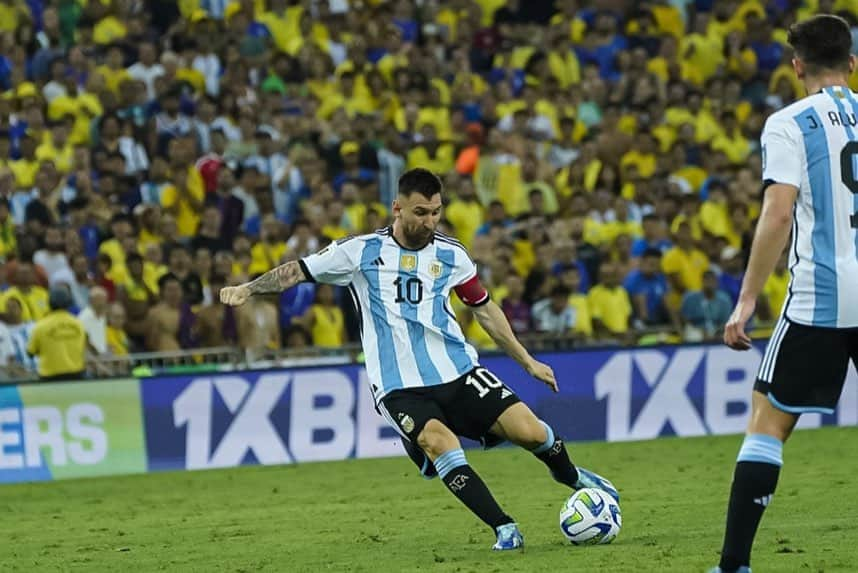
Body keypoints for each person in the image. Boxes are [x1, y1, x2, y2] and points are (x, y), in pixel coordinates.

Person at [221, 168, 618, 550]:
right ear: (397, 208)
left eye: (436, 212)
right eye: (420, 213)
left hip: (458, 370)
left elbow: (483, 309)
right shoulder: (360, 252)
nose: (430, 222)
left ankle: (572, 477)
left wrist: (527, 361)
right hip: (398, 385)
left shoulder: (452, 255)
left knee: (530, 432)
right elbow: (297, 271)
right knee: (439, 443)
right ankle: (504, 527)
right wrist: (248, 288)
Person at [713, 15, 858, 573]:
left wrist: (748, 298)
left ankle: (734, 565)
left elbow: (777, 212)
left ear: (797, 67)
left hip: (821, 299)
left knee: (768, 424)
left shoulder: (789, 123)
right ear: (852, 63)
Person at [26, 286, 87, 380]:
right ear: (69, 303)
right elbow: (83, 346)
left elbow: (30, 352)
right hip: (76, 375)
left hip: (49, 376)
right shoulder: (79, 324)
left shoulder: (41, 326)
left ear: (49, 303)